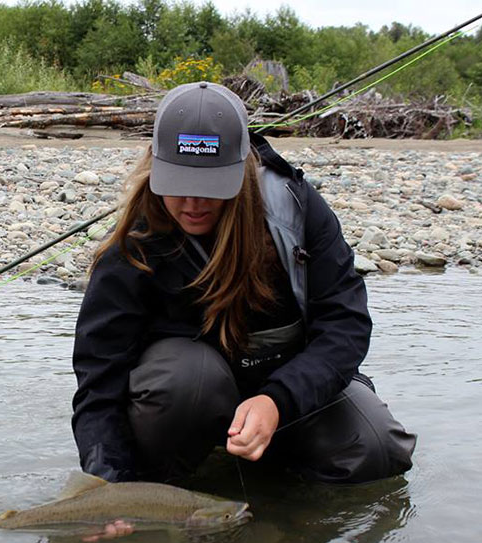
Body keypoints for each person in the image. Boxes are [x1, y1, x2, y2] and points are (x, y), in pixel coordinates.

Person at [71, 81, 416, 492]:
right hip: (190, 400)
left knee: (378, 448)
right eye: (179, 183)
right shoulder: (134, 244)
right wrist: (111, 483)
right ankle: (169, 482)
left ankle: (282, 481)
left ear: (242, 170)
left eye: (211, 186)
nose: (193, 203)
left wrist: (277, 402)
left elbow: (346, 328)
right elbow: (99, 382)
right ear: (156, 167)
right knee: (187, 382)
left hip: (288, 394)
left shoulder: (296, 212)